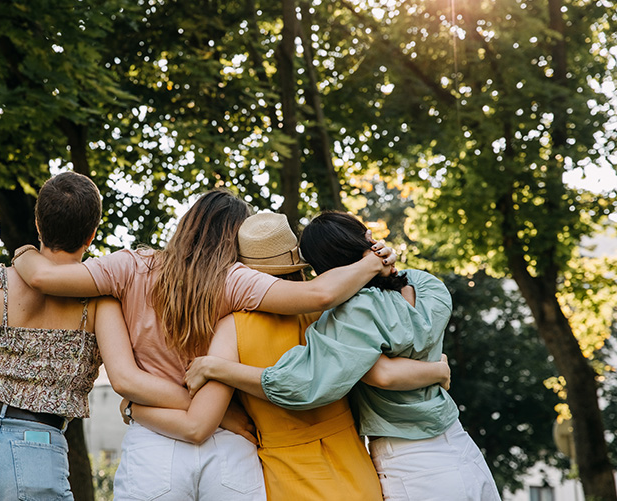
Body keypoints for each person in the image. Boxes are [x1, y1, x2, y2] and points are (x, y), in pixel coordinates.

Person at [11, 188, 399, 500]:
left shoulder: (130, 267)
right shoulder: (236, 280)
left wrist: (24, 250)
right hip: (230, 443)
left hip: (156, 442)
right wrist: (372, 262)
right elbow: (317, 296)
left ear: (186, 224)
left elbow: (44, 279)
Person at [127, 212, 451, 500]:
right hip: (353, 463)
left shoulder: (229, 329)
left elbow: (202, 418)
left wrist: (134, 405)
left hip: (287, 472)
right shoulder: (335, 315)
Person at [0, 172, 190, 500]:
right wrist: (193, 399)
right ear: (91, 235)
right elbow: (125, 380)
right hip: (38, 448)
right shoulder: (99, 301)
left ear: (38, 224)